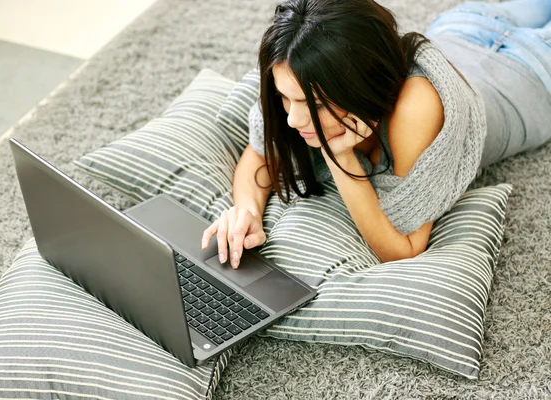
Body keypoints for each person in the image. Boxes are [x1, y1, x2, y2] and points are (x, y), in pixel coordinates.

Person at [201, 0, 551, 267]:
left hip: (530, 74)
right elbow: (261, 152)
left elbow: (404, 247)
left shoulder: (415, 108)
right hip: (466, 27)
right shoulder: (297, 67)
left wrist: (338, 154)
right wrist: (245, 210)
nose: (293, 119)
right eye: (284, 97)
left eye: (316, 105)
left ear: (359, 87)